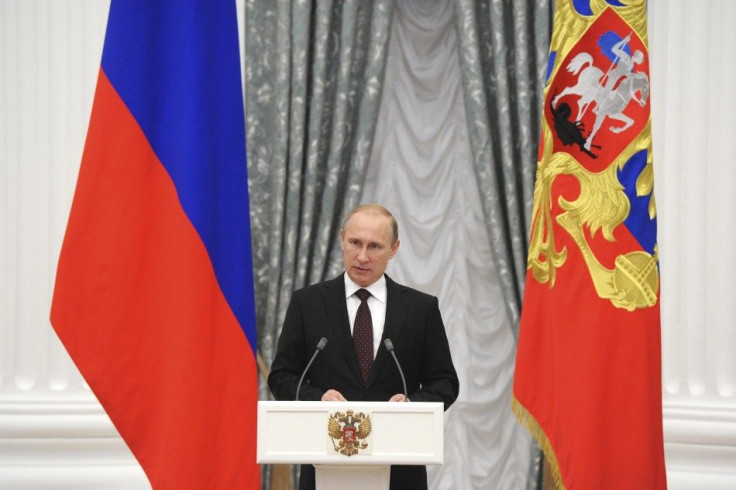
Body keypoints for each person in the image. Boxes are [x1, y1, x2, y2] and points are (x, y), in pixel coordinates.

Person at [268, 203, 459, 490]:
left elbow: (445, 383)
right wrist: (318, 399)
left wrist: (411, 406)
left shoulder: (421, 309)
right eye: (355, 243)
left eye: (375, 246)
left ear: (394, 248)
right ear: (342, 238)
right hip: (326, 465)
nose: (362, 256)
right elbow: (281, 376)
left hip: (400, 470)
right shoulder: (307, 303)